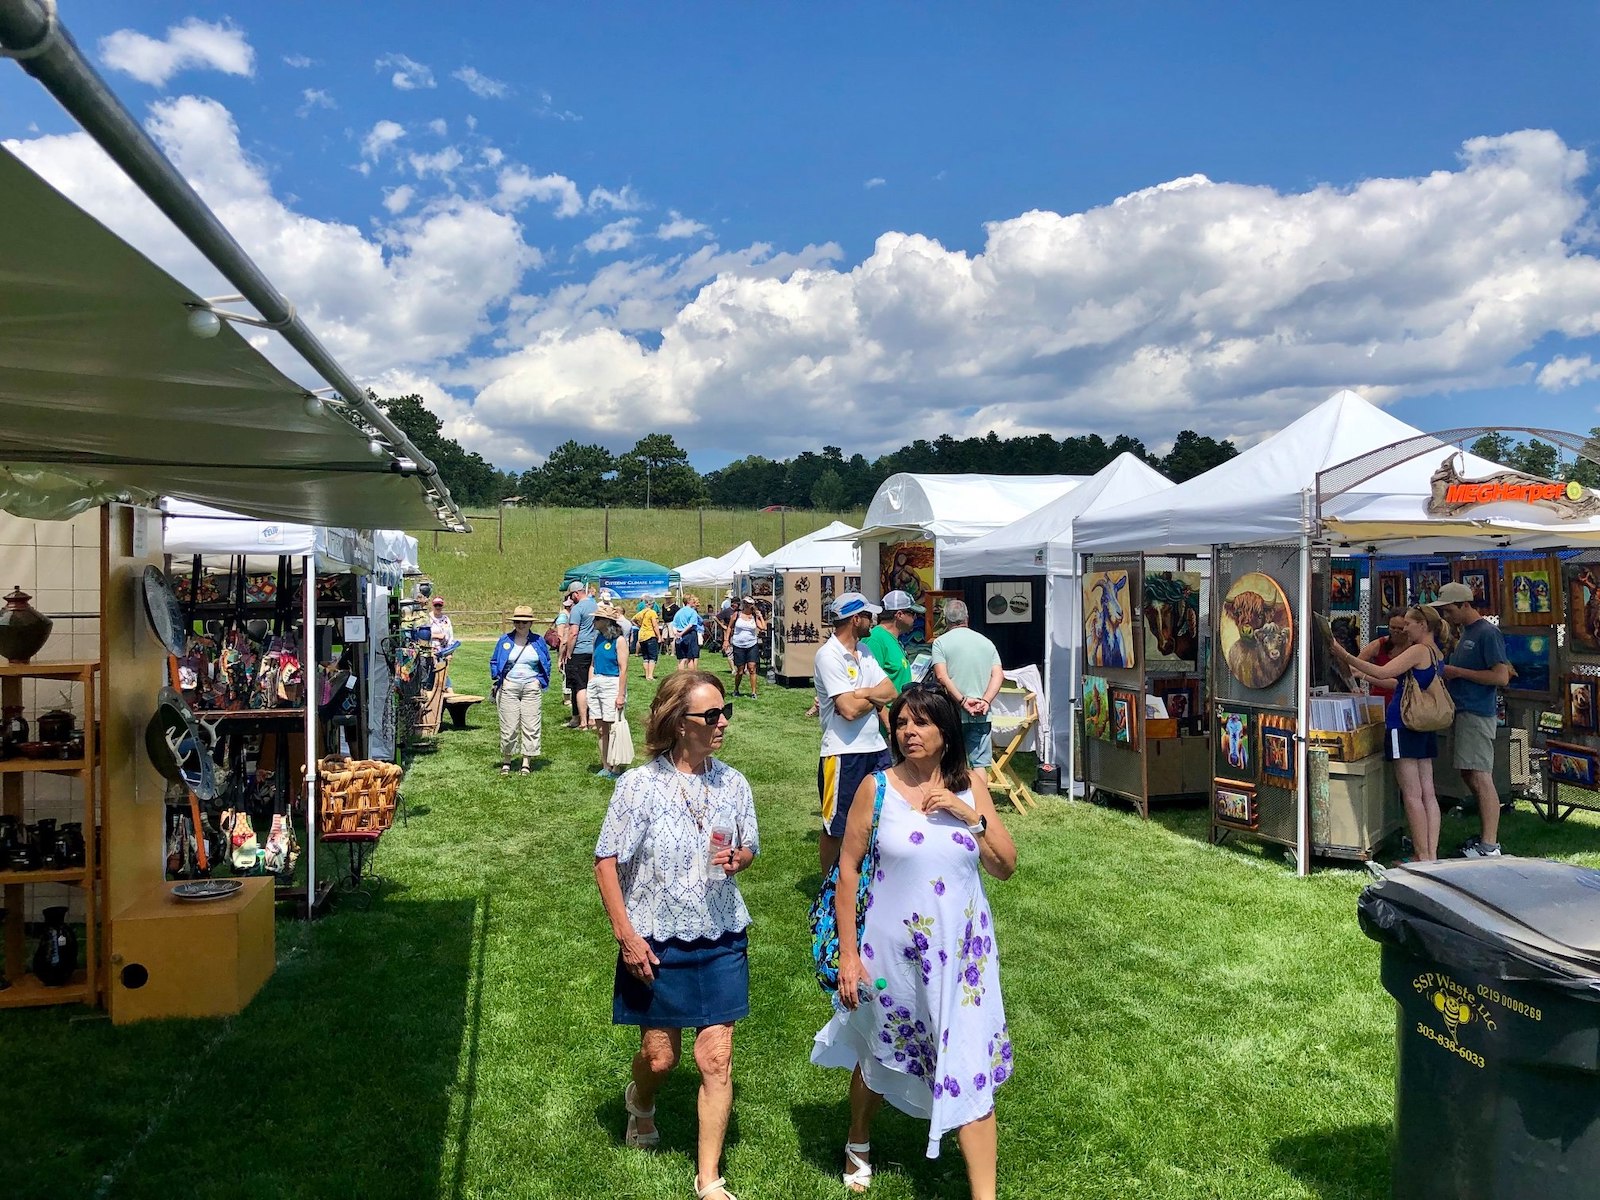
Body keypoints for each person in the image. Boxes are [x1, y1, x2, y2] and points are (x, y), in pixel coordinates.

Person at [812, 684, 1017, 1197]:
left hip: (964, 959)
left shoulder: (971, 784)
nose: (909, 732)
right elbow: (848, 871)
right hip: (891, 956)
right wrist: (849, 957)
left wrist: (968, 814)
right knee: (880, 1055)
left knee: (969, 1066)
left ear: (945, 733)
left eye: (921, 723)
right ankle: (858, 1139)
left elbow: (1005, 866)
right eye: (902, 723)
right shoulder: (876, 788)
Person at [595, 672, 757, 1200]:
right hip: (657, 938)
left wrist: (740, 858)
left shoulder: (733, 783)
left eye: (724, 711)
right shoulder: (637, 786)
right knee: (661, 1057)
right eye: (710, 716)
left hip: (720, 931)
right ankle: (640, 1100)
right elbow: (606, 861)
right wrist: (627, 936)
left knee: (716, 1057)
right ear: (675, 723)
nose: (722, 723)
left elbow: (748, 843)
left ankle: (708, 1178)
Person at [1335, 606, 1445, 861]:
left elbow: (1384, 672)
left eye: (1408, 624)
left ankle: (1422, 854)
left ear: (1422, 625)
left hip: (1404, 724)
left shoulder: (1418, 650)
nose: (1404, 629)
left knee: (1412, 793)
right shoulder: (1436, 651)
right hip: (1424, 725)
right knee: (1427, 790)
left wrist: (1344, 655)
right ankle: (1430, 853)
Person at [814, 593, 898, 874]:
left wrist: (861, 693)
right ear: (855, 619)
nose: (873, 621)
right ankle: (828, 886)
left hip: (875, 749)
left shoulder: (865, 651)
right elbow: (848, 710)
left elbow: (891, 691)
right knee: (836, 826)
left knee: (880, 818)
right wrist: (871, 697)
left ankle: (866, 878)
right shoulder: (829, 655)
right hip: (842, 752)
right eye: (868, 616)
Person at [1436, 581, 1511, 858]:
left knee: (1480, 775)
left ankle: (1490, 845)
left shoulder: (1488, 633)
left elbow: (1501, 676)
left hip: (1477, 713)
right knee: (1469, 772)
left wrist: (1458, 672)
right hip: (1462, 710)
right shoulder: (1465, 632)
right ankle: (1483, 836)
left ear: (1464, 605)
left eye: (1449, 610)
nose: (1446, 616)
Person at [930, 599, 1004, 771]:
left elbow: (941, 676)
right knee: (979, 765)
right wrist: (985, 701)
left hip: (951, 711)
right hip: (981, 712)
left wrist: (962, 701)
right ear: (967, 618)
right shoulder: (986, 642)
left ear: (945, 619)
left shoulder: (940, 642)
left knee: (950, 763)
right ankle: (980, 798)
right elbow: (998, 675)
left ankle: (953, 796)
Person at [489, 605, 551, 776]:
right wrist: (499, 677)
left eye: (524, 621)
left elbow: (546, 661)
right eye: (517, 621)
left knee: (531, 725)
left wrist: (538, 681)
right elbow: (494, 661)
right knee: (509, 726)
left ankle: (526, 762)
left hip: (531, 686)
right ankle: (507, 760)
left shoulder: (538, 641)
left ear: (530, 623)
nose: (521, 624)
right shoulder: (505, 640)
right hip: (509, 686)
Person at [590, 603, 632, 780]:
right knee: (601, 728)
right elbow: (593, 663)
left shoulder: (619, 641)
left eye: (597, 618)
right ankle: (605, 764)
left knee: (613, 726)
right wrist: (590, 684)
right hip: (597, 682)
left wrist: (620, 694)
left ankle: (616, 765)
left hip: (612, 683)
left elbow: (623, 669)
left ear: (607, 621)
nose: (594, 621)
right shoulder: (598, 638)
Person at [861, 590, 921, 694]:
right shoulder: (875, 640)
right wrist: (884, 710)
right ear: (899, 615)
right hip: (888, 709)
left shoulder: (894, 638)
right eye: (912, 613)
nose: (915, 617)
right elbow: (869, 685)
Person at [566, 582, 600, 731]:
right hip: (595, 650)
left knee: (580, 686)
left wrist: (568, 652)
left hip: (579, 651)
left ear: (575, 594)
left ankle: (583, 721)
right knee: (592, 684)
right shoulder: (596, 607)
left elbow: (573, 633)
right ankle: (593, 718)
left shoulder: (577, 609)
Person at [1357, 607, 1410, 704]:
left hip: (1406, 702)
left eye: (1400, 629)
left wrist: (1363, 675)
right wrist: (1355, 688)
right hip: (1379, 701)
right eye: (1392, 628)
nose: (1396, 632)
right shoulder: (1378, 644)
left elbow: (1396, 684)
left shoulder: (1415, 648)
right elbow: (1355, 665)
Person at [726, 597, 766, 698]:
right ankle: (736, 689)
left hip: (751, 644)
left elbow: (763, 627)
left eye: (749, 603)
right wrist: (726, 640)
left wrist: (760, 616)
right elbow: (729, 627)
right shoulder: (737, 614)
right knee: (740, 670)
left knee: (752, 668)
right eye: (745, 603)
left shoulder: (754, 616)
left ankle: (753, 692)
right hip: (738, 645)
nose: (747, 605)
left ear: (752, 605)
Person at [673, 595, 705, 672]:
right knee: (690, 658)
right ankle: (691, 676)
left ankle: (680, 677)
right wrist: (682, 633)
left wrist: (676, 633)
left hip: (679, 636)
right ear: (688, 601)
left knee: (682, 659)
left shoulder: (678, 612)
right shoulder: (692, 612)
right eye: (692, 600)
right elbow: (690, 625)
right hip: (690, 635)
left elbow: (673, 624)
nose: (694, 602)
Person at [635, 598, 663, 682]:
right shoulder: (652, 612)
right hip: (650, 635)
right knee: (652, 656)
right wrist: (659, 636)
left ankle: (646, 674)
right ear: (652, 604)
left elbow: (633, 619)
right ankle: (650, 676)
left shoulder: (641, 612)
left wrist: (640, 626)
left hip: (642, 636)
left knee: (645, 657)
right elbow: (655, 625)